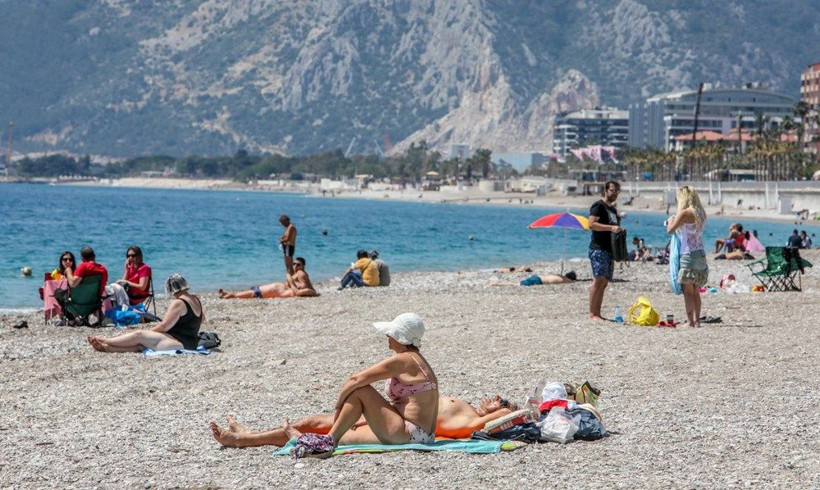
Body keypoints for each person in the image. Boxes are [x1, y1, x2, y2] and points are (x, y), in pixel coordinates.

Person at [280, 312, 438, 458]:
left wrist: (338, 407)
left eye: (390, 334)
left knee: (361, 390)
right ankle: (307, 439)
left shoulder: (404, 359)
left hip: (409, 433)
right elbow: (410, 404)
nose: (387, 336)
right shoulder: (420, 361)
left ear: (399, 336)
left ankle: (327, 442)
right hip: (425, 436)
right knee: (348, 435)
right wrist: (367, 416)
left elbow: (355, 379)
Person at [209, 395, 518, 448]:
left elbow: (512, 416)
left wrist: (504, 409)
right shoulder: (466, 408)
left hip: (394, 425)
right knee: (311, 420)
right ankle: (252, 433)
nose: (492, 399)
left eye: (499, 400)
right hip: (390, 413)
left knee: (328, 430)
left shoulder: (470, 422)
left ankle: (241, 440)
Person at [87, 273, 204, 353]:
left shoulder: (179, 302)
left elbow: (164, 326)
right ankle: (107, 348)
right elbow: (201, 319)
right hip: (190, 342)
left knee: (139, 335)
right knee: (139, 345)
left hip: (179, 342)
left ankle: (105, 340)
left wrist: (148, 332)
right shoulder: (195, 299)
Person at [667, 186, 708, 328]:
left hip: (688, 253)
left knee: (688, 291)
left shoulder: (684, 213)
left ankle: (690, 321)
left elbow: (670, 230)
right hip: (701, 253)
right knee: (696, 291)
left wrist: (670, 220)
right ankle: (697, 321)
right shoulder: (701, 213)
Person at [587, 181, 623, 321]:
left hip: (609, 249)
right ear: (606, 190)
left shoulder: (613, 210)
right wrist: (610, 228)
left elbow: (614, 227)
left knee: (604, 282)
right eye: (612, 190)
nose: (614, 194)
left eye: (617, 191)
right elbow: (591, 224)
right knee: (598, 280)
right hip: (598, 248)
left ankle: (598, 313)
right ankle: (592, 313)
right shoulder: (598, 206)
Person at [218, 257, 319, 298]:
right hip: (271, 289)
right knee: (246, 294)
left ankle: (225, 295)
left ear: (303, 266)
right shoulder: (299, 278)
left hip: (269, 290)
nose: (295, 267)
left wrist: (312, 292)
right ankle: (226, 294)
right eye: (294, 264)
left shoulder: (300, 275)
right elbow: (306, 287)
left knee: (244, 295)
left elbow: (304, 289)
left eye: (298, 264)